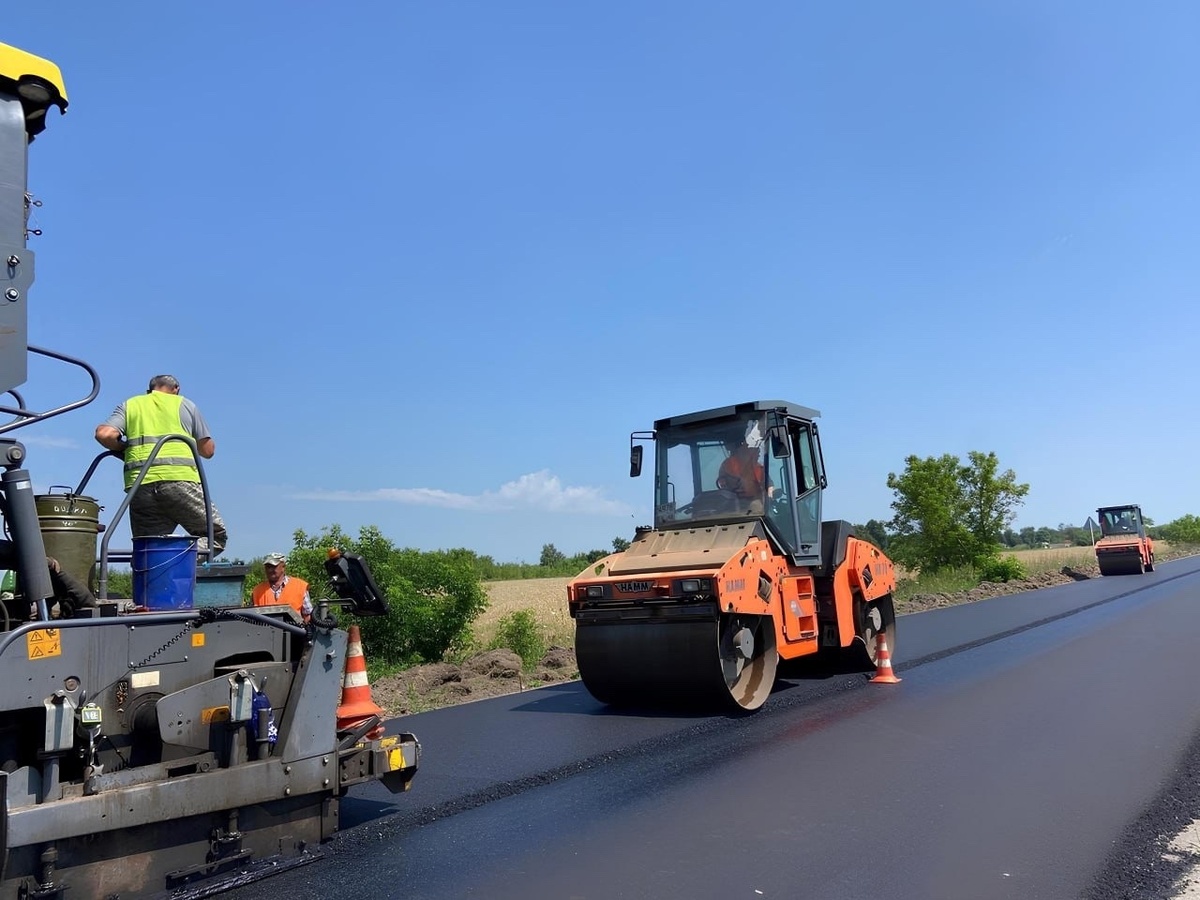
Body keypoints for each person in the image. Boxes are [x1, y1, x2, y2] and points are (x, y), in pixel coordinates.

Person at [94, 374, 227, 555]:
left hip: (140, 486)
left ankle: (153, 571)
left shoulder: (131, 405)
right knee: (215, 537)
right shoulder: (185, 405)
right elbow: (208, 451)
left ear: (149, 390)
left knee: (147, 548)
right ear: (176, 389)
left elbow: (105, 434)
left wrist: (124, 448)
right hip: (180, 481)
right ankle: (173, 564)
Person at [251, 552, 312, 622]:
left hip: (295, 631)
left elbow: (308, 616)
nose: (270, 570)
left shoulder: (299, 586)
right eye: (268, 567)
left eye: (274, 566)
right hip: (264, 632)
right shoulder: (257, 591)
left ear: (283, 567)